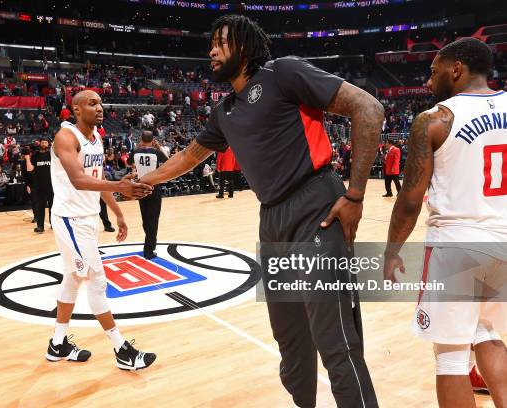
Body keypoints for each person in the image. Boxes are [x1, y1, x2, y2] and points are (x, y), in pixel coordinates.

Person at [139, 15, 384, 407]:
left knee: (335, 341)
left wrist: (355, 196)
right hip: (271, 220)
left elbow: (368, 109)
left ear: (245, 47)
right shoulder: (225, 111)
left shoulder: (282, 74)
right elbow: (189, 156)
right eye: (210, 44)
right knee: (291, 346)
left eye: (220, 42)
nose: (211, 51)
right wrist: (147, 180)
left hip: (315, 208)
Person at [384, 38, 507, 408]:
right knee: (487, 332)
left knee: (451, 356)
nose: (427, 80)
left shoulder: (434, 120)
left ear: (456, 69)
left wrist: (391, 251)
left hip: (457, 245)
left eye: (434, 70)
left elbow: (408, 201)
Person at [46, 90, 157, 371]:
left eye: (100, 103)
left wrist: (118, 213)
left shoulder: (96, 138)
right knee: (96, 280)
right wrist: (120, 187)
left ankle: (57, 344)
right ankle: (121, 350)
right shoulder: (66, 137)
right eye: (92, 103)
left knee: (72, 279)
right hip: (70, 219)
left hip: (88, 218)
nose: (99, 108)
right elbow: (79, 180)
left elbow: (99, 179)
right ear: (76, 110)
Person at [128, 130, 168, 259]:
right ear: (153, 140)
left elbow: (129, 163)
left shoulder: (135, 152)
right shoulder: (156, 152)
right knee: (153, 219)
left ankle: (149, 244)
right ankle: (149, 250)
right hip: (153, 187)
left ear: (141, 139)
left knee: (145, 218)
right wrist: (158, 147)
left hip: (140, 186)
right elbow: (167, 161)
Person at [25, 137, 53, 233]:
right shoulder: (35, 155)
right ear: (40, 144)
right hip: (39, 185)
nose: (44, 144)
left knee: (53, 206)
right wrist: (27, 157)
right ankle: (40, 226)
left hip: (52, 185)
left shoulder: (52, 154)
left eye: (46, 142)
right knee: (40, 206)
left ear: (48, 144)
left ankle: (54, 224)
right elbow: (29, 169)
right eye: (43, 142)